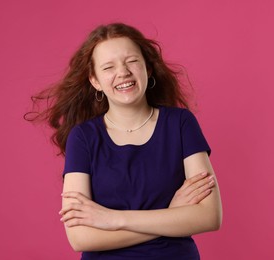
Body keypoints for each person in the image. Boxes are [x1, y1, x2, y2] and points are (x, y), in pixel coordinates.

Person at [26, 23, 222, 259]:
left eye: (131, 61)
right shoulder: (84, 137)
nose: (123, 73)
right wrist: (171, 214)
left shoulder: (180, 123)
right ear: (95, 81)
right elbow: (81, 238)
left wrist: (112, 219)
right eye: (108, 67)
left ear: (148, 68)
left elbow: (209, 216)